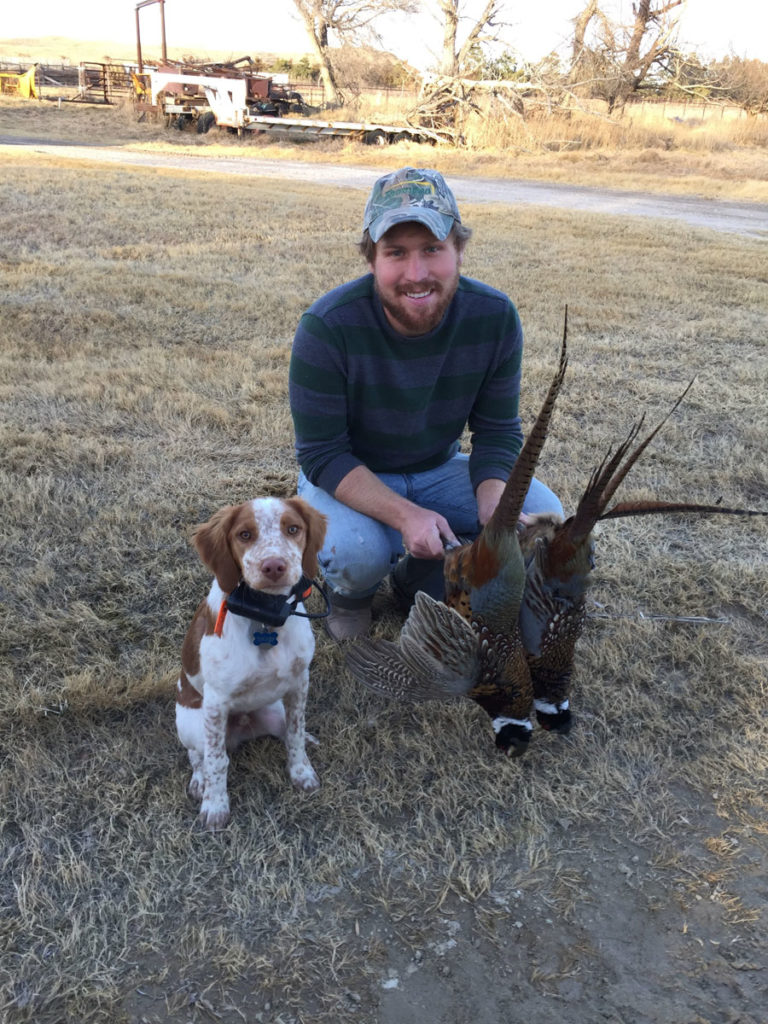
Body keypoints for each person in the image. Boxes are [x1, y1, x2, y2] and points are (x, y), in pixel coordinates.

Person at [289, 166, 563, 641]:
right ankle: (352, 597)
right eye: (396, 253)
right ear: (372, 259)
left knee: (543, 518)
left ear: (458, 250)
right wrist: (405, 515)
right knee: (356, 551)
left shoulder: (495, 317)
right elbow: (322, 454)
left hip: (440, 467)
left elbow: (497, 430)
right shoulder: (327, 326)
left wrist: (495, 503)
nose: (416, 275)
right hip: (351, 477)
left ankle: (419, 576)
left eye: (432, 250)